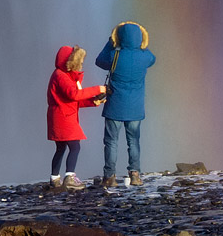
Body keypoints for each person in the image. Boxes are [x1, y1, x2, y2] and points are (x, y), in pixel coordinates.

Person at [95, 22, 156, 186]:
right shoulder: (145, 57)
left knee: (111, 142)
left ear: (120, 38)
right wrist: (142, 42)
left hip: (115, 105)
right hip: (135, 107)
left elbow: (99, 61)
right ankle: (135, 175)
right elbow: (152, 58)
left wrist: (111, 42)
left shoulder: (114, 55)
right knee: (134, 142)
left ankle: (109, 177)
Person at [45, 47, 103, 189]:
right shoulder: (61, 76)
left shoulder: (60, 75)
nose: (81, 65)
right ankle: (70, 177)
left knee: (61, 148)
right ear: (71, 62)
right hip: (64, 118)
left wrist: (92, 102)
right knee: (75, 147)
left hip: (59, 116)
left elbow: (71, 101)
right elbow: (74, 95)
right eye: (80, 62)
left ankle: (54, 178)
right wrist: (98, 89)